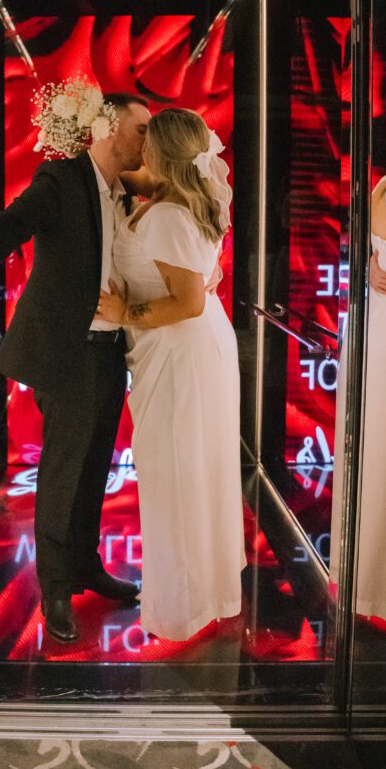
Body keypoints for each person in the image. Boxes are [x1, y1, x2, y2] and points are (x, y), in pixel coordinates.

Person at [0, 95, 152, 643]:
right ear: (109, 128)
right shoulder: (61, 181)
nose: (149, 141)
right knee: (64, 468)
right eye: (142, 129)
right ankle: (54, 587)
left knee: (96, 463)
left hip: (109, 348)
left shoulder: (126, 190)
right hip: (64, 351)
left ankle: (86, 565)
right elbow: (2, 233)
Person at [97, 108, 246, 641]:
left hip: (181, 352)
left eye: (148, 139)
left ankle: (182, 606)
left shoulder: (166, 215)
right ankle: (200, 591)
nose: (142, 148)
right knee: (190, 471)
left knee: (176, 475)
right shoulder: (179, 200)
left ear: (162, 152)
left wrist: (122, 314)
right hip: (189, 350)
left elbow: (186, 303)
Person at [331, 131, 386, 634]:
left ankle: (366, 578)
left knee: (376, 452)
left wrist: (370, 266)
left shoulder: (383, 187)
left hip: (377, 334)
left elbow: (372, 247)